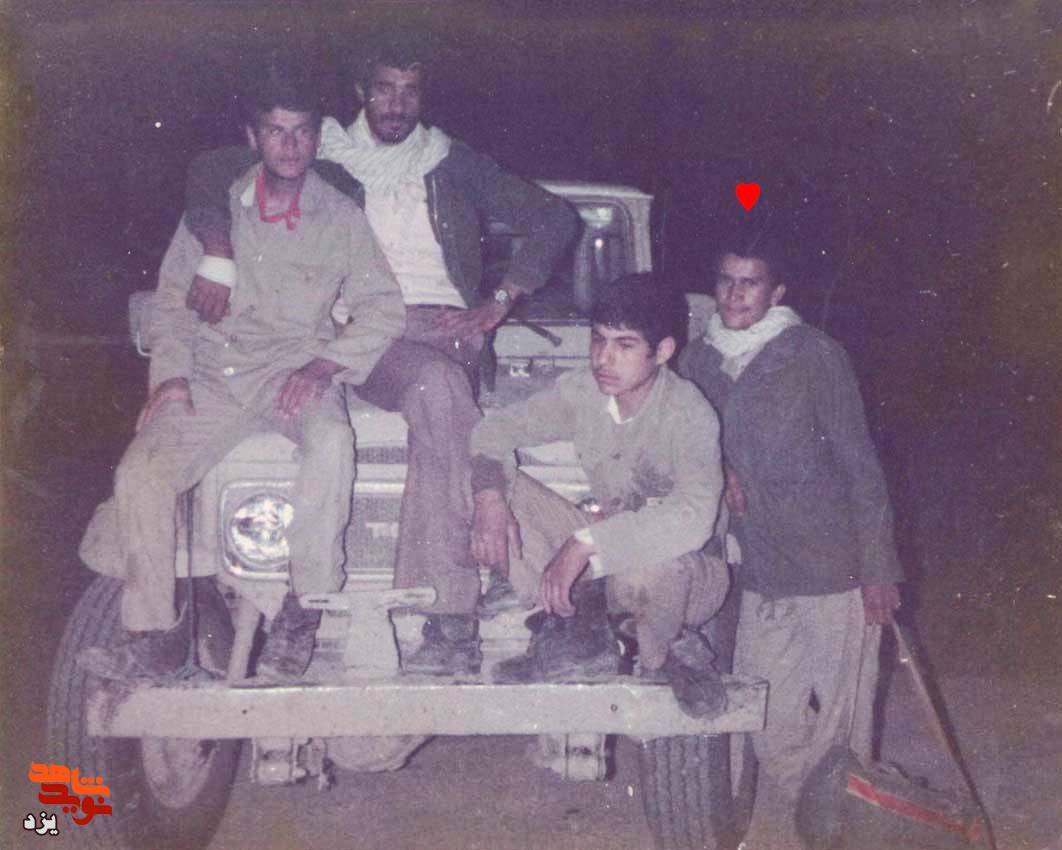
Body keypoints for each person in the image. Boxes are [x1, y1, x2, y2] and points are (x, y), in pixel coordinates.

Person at [181, 32, 579, 675]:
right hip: (363, 331)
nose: (397, 104)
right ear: (361, 93)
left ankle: (455, 613)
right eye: (385, 90)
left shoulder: (451, 161)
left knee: (442, 394)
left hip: (444, 325)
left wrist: (499, 301)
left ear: (423, 97)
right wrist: (219, 253)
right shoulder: (323, 153)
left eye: (410, 91)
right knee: (437, 391)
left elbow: (555, 218)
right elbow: (209, 171)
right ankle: (454, 613)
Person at [77, 55, 406, 682]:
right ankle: (154, 634)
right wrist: (171, 377)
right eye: (277, 131)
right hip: (215, 374)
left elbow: (383, 307)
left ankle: (304, 608)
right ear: (253, 138)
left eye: (302, 131)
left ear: (317, 138)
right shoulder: (213, 213)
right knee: (140, 472)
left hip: (292, 371)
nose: (291, 145)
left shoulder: (340, 217)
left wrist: (324, 365)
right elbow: (171, 305)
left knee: (334, 441)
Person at [677, 230, 904, 843]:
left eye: (750, 283)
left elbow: (860, 463)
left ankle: (838, 829)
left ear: (776, 292)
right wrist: (720, 470)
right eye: (726, 280)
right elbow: (685, 439)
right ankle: (821, 810)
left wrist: (879, 568)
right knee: (766, 718)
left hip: (835, 565)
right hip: (760, 569)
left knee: (843, 724)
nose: (734, 294)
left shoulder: (813, 354)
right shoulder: (698, 360)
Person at [469, 274, 731, 717]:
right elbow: (493, 431)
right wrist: (489, 500)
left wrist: (585, 543)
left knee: (648, 572)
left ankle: (665, 655)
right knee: (486, 479)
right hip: (606, 564)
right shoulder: (585, 391)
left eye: (624, 345)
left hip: (687, 573)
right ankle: (569, 630)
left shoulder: (689, 413)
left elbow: (694, 517)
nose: (603, 359)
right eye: (598, 340)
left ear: (662, 351)